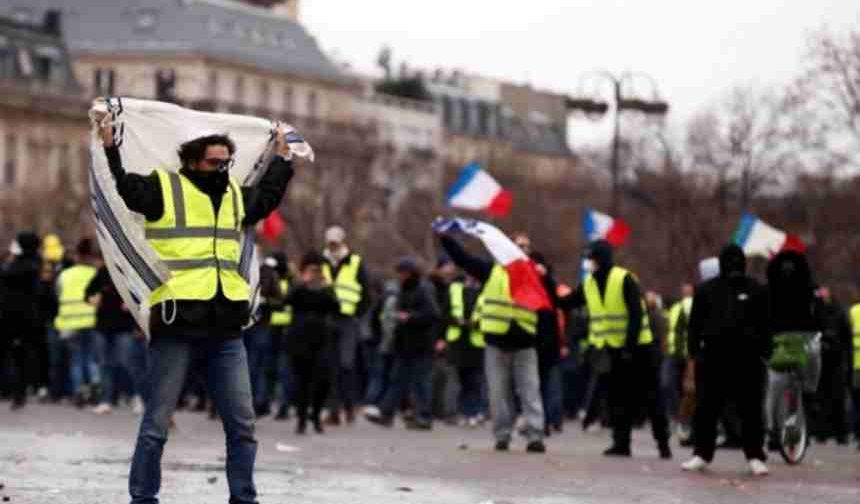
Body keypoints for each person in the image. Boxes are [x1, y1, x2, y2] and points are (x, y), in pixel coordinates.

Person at [98, 112, 294, 504]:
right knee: (156, 425)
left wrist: (282, 161)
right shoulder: (165, 189)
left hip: (225, 326)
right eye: (213, 162)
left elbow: (267, 198)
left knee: (243, 427)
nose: (221, 169)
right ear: (191, 161)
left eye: (226, 162)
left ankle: (244, 498)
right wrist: (110, 147)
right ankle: (143, 498)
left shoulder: (236, 195)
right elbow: (125, 188)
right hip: (179, 322)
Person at [558, 240, 671, 459]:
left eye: (590, 259)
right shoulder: (589, 283)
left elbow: (636, 316)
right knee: (617, 398)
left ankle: (663, 444)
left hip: (639, 349)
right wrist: (543, 281)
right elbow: (567, 302)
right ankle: (621, 443)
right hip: (612, 350)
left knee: (651, 397)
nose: (588, 263)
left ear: (599, 259)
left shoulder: (624, 278)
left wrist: (628, 346)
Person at [438, 231, 547, 454]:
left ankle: (535, 436)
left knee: (530, 391)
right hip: (496, 342)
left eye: (525, 246)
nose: (521, 249)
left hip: (525, 342)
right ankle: (502, 435)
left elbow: (550, 305)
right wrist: (446, 239)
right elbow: (463, 259)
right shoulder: (491, 271)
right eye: (517, 245)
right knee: (498, 393)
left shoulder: (535, 274)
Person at [682, 245, 771, 476]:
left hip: (748, 361)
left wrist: (765, 352)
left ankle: (755, 456)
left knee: (750, 410)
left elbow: (765, 325)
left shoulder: (757, 290)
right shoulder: (705, 291)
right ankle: (701, 454)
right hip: (712, 360)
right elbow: (694, 326)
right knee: (706, 409)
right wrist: (694, 352)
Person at [366, 257, 441, 429]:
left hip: (421, 344)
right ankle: (386, 413)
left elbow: (433, 314)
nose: (400, 276)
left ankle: (424, 416)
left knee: (421, 381)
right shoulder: (403, 289)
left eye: (403, 273)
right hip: (404, 343)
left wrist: (410, 317)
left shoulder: (423, 289)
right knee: (397, 379)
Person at [764, 250, 821, 452]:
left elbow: (820, 314)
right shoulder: (806, 288)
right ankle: (774, 430)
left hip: (788, 341)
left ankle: (782, 432)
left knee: (778, 387)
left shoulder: (770, 289)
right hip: (788, 341)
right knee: (779, 386)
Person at [285, 251, 341, 434]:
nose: (314, 273)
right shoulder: (299, 287)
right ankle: (301, 419)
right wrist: (303, 282)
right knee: (302, 381)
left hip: (322, 339)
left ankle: (316, 416)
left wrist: (326, 287)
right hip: (300, 339)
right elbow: (288, 300)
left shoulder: (326, 289)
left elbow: (336, 307)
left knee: (322, 381)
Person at [322, 225, 371, 425]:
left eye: (336, 242)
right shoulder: (322, 261)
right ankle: (333, 410)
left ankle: (349, 406)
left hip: (348, 320)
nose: (333, 246)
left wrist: (357, 314)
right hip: (327, 319)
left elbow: (366, 294)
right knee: (329, 366)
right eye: (330, 242)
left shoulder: (355, 262)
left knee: (346, 365)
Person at [86, 264, 146, 415]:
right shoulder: (102, 272)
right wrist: (93, 298)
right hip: (102, 326)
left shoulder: (129, 271)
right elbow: (87, 294)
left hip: (123, 326)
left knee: (126, 363)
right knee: (104, 364)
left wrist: (133, 304)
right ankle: (106, 401)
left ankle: (136, 397)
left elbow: (142, 296)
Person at [56, 238, 103, 409]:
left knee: (76, 360)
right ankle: (95, 389)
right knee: (92, 359)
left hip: (69, 323)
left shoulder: (64, 275)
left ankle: (79, 392)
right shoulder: (94, 273)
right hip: (91, 321)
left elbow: (58, 295)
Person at [0, 232, 43, 410]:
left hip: (18, 318)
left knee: (18, 357)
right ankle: (14, 391)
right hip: (17, 317)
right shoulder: (28, 262)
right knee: (17, 357)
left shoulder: (27, 265)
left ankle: (17, 393)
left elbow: (8, 274)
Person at [437, 272, 486, 427]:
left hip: (476, 341)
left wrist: (476, 324)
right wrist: (452, 325)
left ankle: (473, 412)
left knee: (474, 380)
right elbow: (444, 314)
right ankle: (461, 412)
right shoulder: (454, 288)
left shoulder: (486, 289)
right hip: (457, 340)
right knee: (460, 379)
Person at [243, 256, 284, 417]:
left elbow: (279, 300)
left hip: (261, 325)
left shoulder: (269, 274)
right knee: (243, 366)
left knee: (257, 365)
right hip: (242, 325)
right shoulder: (240, 267)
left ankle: (257, 403)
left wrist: (264, 301)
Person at [812, 287, 852, 445]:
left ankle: (838, 433)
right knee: (825, 397)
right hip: (825, 357)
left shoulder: (835, 311)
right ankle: (825, 432)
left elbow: (845, 335)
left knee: (835, 397)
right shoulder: (820, 311)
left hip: (834, 358)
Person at [268, 252, 294, 420]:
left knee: (283, 370)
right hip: (274, 329)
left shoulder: (289, 283)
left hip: (285, 330)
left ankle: (283, 405)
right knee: (274, 369)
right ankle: (277, 403)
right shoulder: (283, 282)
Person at [665, 284, 694, 437]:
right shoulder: (676, 307)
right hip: (674, 352)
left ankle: (682, 421)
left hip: (686, 354)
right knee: (672, 385)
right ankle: (677, 418)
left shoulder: (690, 305)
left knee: (686, 390)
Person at [849, 301, 860, 450]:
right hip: (856, 364)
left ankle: (858, 435)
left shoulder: (854, 310)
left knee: (857, 402)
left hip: (856, 365)